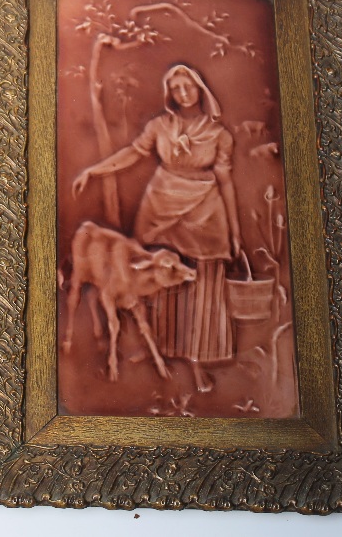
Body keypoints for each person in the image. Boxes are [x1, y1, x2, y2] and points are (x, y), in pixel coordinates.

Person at [72, 63, 241, 391]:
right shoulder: (159, 127)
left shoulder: (220, 135)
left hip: (206, 210)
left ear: (200, 87)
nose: (183, 93)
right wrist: (94, 170)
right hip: (159, 207)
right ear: (170, 95)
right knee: (153, 278)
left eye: (188, 85)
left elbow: (227, 181)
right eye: (176, 89)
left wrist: (234, 231)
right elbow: (131, 155)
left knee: (203, 281)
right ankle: (159, 352)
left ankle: (199, 361)